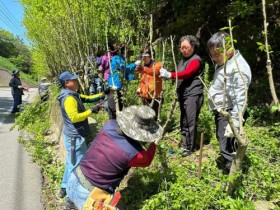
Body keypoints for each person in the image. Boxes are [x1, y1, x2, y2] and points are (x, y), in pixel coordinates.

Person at [66, 105, 163, 210]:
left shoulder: (109, 125)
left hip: (73, 178)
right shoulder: (136, 154)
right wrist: (154, 144)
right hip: (90, 196)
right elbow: (147, 160)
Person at [57, 71, 104, 209]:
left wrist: (102, 95)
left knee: (71, 163)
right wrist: (91, 111)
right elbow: (75, 117)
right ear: (67, 83)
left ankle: (64, 187)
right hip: (74, 137)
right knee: (75, 167)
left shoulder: (73, 94)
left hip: (75, 136)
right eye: (74, 80)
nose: (77, 81)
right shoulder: (68, 98)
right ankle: (69, 200)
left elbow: (87, 98)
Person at [207, 31, 252, 172]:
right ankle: (229, 168)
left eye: (216, 54)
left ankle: (232, 174)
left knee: (227, 146)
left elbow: (241, 98)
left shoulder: (238, 69)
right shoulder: (227, 62)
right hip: (223, 111)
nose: (214, 59)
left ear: (229, 48)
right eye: (212, 55)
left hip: (230, 113)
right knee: (223, 142)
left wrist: (235, 123)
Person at [160, 35, 204, 157]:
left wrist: (170, 74)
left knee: (190, 120)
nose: (184, 50)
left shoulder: (195, 60)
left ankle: (189, 148)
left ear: (193, 46)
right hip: (184, 94)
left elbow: (187, 73)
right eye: (182, 48)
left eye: (186, 47)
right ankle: (185, 145)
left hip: (193, 94)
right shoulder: (182, 61)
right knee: (183, 120)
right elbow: (180, 74)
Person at [106, 42, 141, 119]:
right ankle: (112, 127)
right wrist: (135, 64)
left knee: (120, 108)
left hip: (120, 87)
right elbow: (126, 68)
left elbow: (124, 75)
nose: (127, 51)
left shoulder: (122, 58)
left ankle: (118, 127)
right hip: (114, 87)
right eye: (125, 49)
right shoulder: (116, 58)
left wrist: (133, 77)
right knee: (114, 110)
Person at [136, 47, 163, 119]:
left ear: (151, 56)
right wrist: (139, 88)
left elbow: (154, 72)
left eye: (145, 56)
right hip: (145, 97)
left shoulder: (157, 65)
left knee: (154, 118)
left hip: (155, 96)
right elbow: (143, 81)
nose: (144, 58)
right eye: (143, 57)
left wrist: (143, 69)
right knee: (146, 118)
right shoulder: (144, 67)